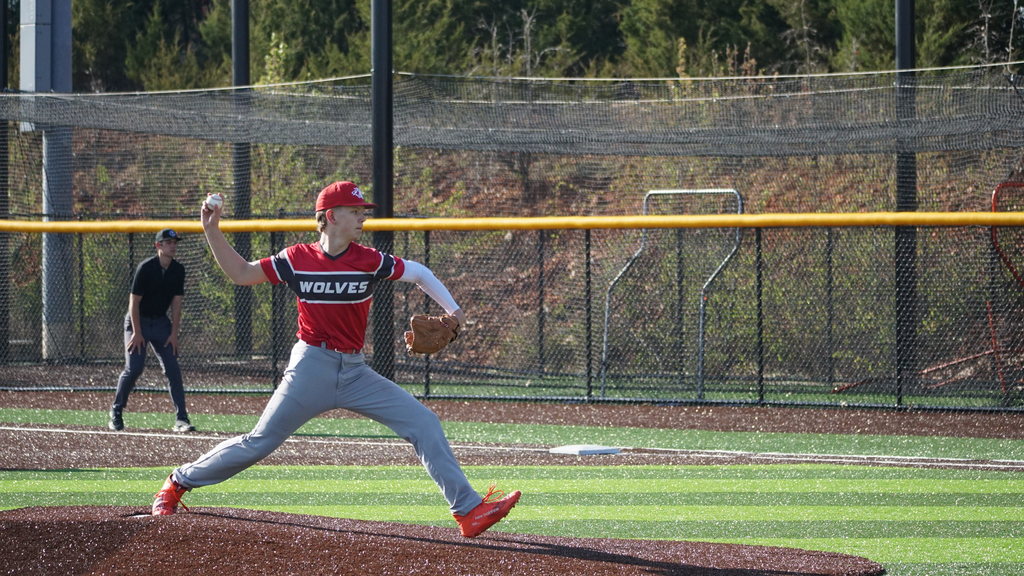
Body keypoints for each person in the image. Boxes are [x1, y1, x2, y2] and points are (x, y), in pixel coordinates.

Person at [151, 181, 520, 538]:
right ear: (329, 215)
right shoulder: (297, 258)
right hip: (309, 367)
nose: (362, 217)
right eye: (354, 210)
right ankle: (176, 482)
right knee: (259, 442)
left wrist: (455, 311)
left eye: (363, 211)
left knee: (423, 423)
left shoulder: (370, 260)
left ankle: (468, 510)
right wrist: (211, 230)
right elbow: (242, 273)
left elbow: (420, 273)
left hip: (356, 372)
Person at [109, 228, 195, 433]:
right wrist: (137, 333)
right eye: (168, 242)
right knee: (134, 368)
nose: (173, 245)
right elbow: (134, 303)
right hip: (137, 321)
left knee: (173, 369)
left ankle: (181, 419)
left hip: (160, 324)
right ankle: (116, 411)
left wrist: (174, 334)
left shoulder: (178, 270)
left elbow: (176, 305)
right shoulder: (146, 268)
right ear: (158, 246)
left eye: (175, 242)